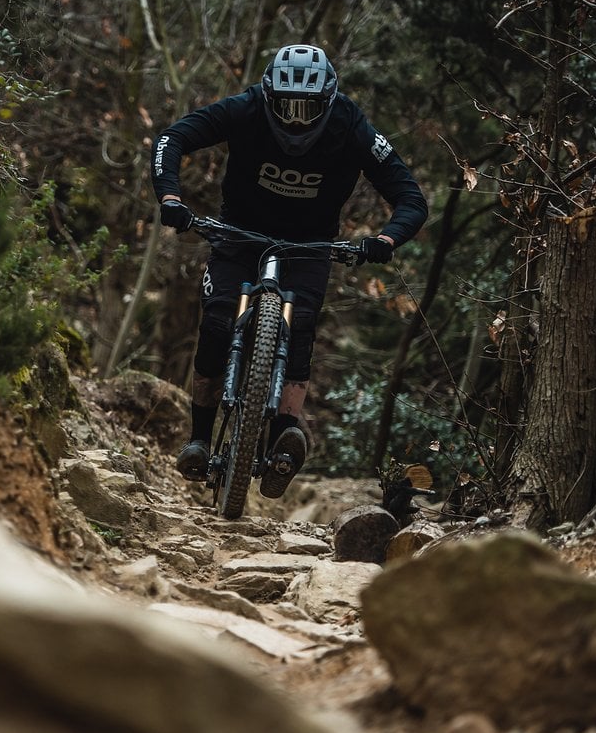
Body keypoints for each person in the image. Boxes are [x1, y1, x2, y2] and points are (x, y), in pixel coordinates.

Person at [151, 43, 427, 498]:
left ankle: (284, 438)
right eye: (286, 107)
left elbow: (410, 197)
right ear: (268, 96)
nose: (296, 120)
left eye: (308, 109)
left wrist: (384, 239)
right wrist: (171, 198)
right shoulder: (246, 107)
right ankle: (199, 438)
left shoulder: (351, 124)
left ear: (329, 102)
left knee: (299, 331)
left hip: (310, 245)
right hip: (238, 235)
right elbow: (172, 139)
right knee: (217, 325)